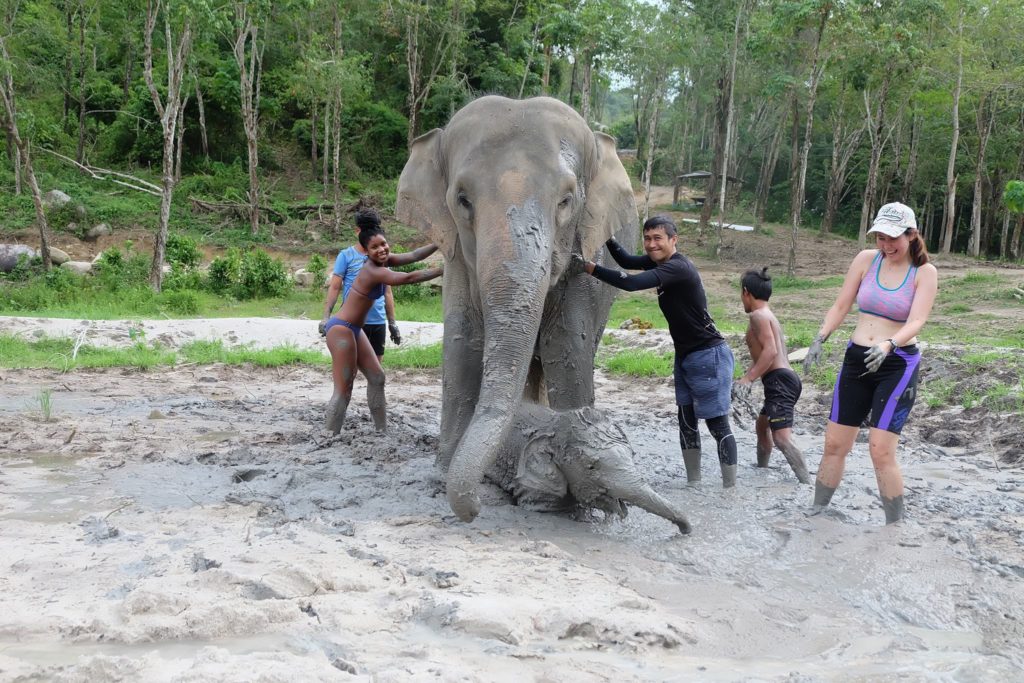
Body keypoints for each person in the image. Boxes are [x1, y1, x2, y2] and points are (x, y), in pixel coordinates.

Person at [571, 215, 738, 487]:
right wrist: (607, 235)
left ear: (674, 240)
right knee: (686, 421)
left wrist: (590, 268)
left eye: (658, 238)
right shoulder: (660, 261)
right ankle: (693, 485)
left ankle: (730, 490)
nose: (651, 245)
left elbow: (631, 283)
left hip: (710, 355)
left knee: (718, 426)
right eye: (647, 239)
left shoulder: (678, 268)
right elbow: (626, 261)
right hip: (685, 355)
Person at [803, 202, 937, 524]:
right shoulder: (865, 260)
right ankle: (816, 514)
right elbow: (841, 304)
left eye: (893, 238)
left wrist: (890, 345)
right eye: (880, 238)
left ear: (911, 234)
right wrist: (820, 338)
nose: (887, 245)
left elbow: (917, 320)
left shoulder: (924, 272)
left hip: (896, 363)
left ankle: (894, 526)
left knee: (880, 449)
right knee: (835, 443)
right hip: (857, 359)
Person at [323, 226, 442, 434]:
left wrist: (440, 243)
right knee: (344, 390)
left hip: (355, 329)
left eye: (384, 244)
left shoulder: (385, 260)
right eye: (374, 247)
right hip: (341, 329)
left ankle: (381, 432)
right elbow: (408, 278)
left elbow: (414, 255)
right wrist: (443, 270)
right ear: (366, 252)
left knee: (377, 377)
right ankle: (329, 435)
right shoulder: (372, 270)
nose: (382, 249)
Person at [734, 267, 811, 484]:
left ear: (746, 292)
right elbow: (763, 353)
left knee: (782, 438)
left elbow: (770, 352)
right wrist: (749, 374)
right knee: (762, 425)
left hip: (780, 381)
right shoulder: (767, 315)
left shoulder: (758, 316)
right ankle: (762, 471)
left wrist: (748, 378)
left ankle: (808, 484)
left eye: (741, 294)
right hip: (782, 380)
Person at [321, 209, 402, 359]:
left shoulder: (381, 256)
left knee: (376, 368)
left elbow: (387, 291)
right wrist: (326, 316)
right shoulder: (346, 256)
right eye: (367, 231)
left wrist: (392, 323)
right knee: (350, 366)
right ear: (357, 231)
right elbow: (335, 286)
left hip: (378, 320)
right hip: (353, 320)